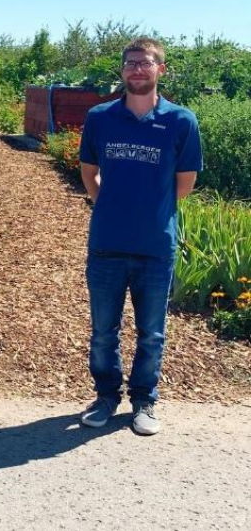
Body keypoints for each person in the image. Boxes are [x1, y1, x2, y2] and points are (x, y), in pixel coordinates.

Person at [78, 37, 202, 436]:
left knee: (152, 334)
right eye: (130, 63)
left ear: (160, 69)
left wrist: (150, 210)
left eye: (145, 62)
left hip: (155, 246)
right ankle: (105, 397)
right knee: (103, 332)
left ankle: (144, 401)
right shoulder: (100, 117)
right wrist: (109, 204)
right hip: (106, 244)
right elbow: (88, 172)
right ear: (122, 69)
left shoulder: (181, 121)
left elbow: (185, 183)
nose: (136, 69)